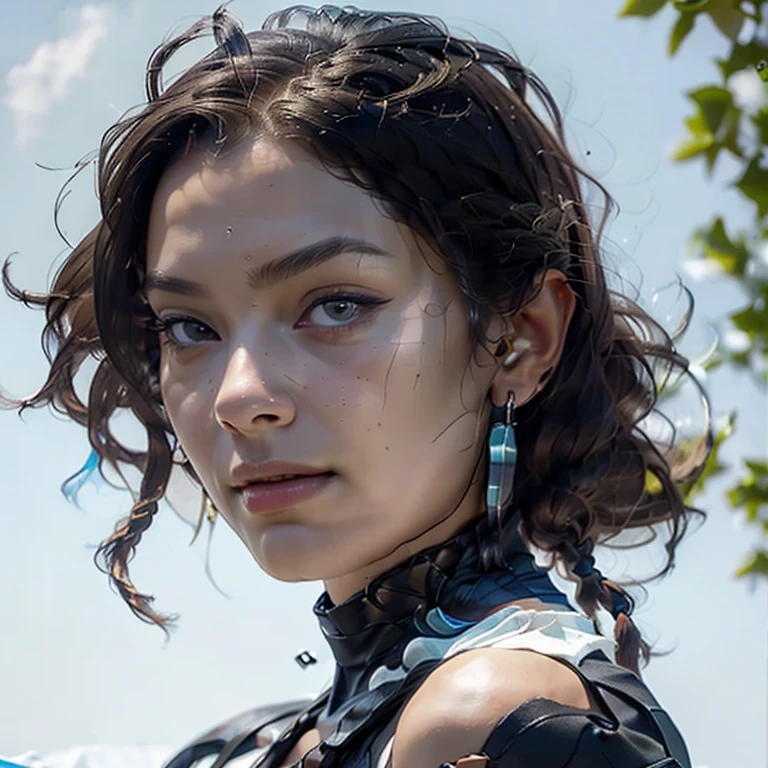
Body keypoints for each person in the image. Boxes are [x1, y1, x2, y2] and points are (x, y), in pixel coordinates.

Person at [2, 5, 712, 767]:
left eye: (336, 306)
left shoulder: (489, 717)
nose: (240, 397)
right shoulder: (274, 739)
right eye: (188, 328)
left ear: (518, 338)